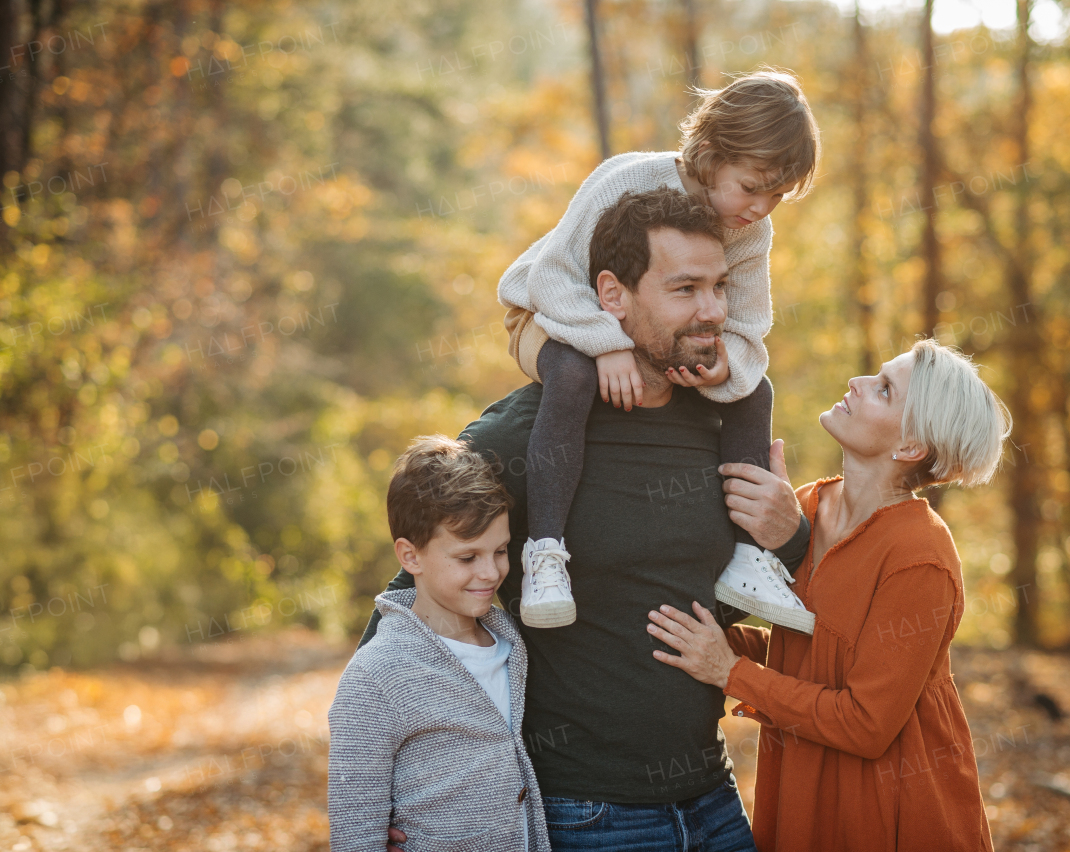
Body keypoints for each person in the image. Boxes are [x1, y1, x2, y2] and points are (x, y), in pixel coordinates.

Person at [363, 188, 810, 852]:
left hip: (714, 802)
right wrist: (398, 800)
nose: (714, 310)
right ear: (613, 294)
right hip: (587, 816)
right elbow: (414, 601)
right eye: (685, 289)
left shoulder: (724, 420)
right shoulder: (527, 435)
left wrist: (789, 533)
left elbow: (741, 596)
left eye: (720, 286)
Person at [646, 339, 1010, 851]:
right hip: (803, 780)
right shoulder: (805, 508)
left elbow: (866, 723)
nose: (857, 384)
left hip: (890, 807)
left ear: (909, 448)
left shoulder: (920, 556)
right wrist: (709, 636)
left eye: (883, 390)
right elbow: (809, 646)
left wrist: (730, 671)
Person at [498, 68, 821, 632]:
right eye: (751, 187)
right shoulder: (626, 180)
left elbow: (747, 327)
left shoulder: (750, 232)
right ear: (710, 150)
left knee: (754, 387)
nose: (761, 207)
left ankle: (750, 556)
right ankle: (546, 554)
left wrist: (727, 365)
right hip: (548, 313)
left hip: (644, 331)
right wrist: (607, 345)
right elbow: (553, 277)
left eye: (777, 196)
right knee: (573, 376)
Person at [329, 435, 550, 852]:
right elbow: (354, 828)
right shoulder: (376, 675)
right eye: (467, 558)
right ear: (410, 557)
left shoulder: (513, 643)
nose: (490, 572)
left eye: (500, 551)